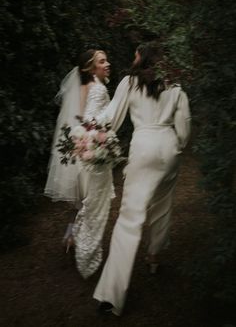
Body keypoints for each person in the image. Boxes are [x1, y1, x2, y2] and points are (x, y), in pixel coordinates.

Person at [93, 42, 191, 315]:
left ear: (143, 58)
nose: (132, 58)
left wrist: (87, 129)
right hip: (169, 148)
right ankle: (154, 258)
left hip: (144, 146)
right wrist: (178, 146)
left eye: (135, 54)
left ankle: (112, 296)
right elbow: (184, 127)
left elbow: (111, 119)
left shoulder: (129, 82)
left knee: (129, 219)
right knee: (162, 207)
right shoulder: (176, 85)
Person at [44, 49, 114, 279]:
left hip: (86, 141)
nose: (107, 63)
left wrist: (82, 138)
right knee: (90, 199)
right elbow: (94, 117)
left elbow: (80, 117)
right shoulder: (97, 87)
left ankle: (70, 234)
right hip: (91, 143)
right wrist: (94, 139)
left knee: (83, 198)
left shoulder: (85, 86)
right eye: (101, 61)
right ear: (90, 67)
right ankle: (83, 245)